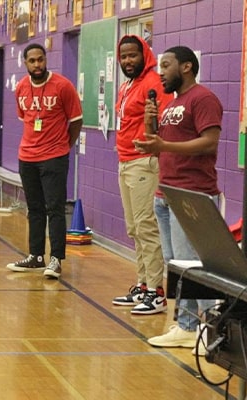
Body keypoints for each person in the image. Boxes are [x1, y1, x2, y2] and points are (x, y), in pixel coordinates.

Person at [133, 46, 223, 350]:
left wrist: (166, 147)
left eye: (166, 65)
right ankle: (186, 326)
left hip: (193, 194)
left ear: (186, 67)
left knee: (196, 266)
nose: (161, 72)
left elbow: (209, 143)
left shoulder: (203, 98)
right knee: (177, 267)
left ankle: (211, 331)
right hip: (166, 192)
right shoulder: (171, 103)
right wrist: (149, 127)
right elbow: (160, 144)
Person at [6, 43, 83, 278]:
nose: (37, 64)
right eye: (32, 61)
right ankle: (36, 256)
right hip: (27, 157)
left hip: (54, 157)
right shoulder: (20, 88)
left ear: (46, 60)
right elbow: (26, 119)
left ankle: (56, 259)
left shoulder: (62, 86)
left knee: (55, 209)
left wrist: (62, 148)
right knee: (34, 208)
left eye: (41, 60)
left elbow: (76, 120)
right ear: (26, 63)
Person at [112, 35, 174, 314]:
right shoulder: (127, 85)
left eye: (132, 55)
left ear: (144, 55)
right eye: (123, 56)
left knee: (146, 227)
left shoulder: (153, 83)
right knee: (134, 228)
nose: (127, 61)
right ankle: (143, 284)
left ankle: (156, 291)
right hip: (125, 161)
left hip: (144, 162)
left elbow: (165, 121)